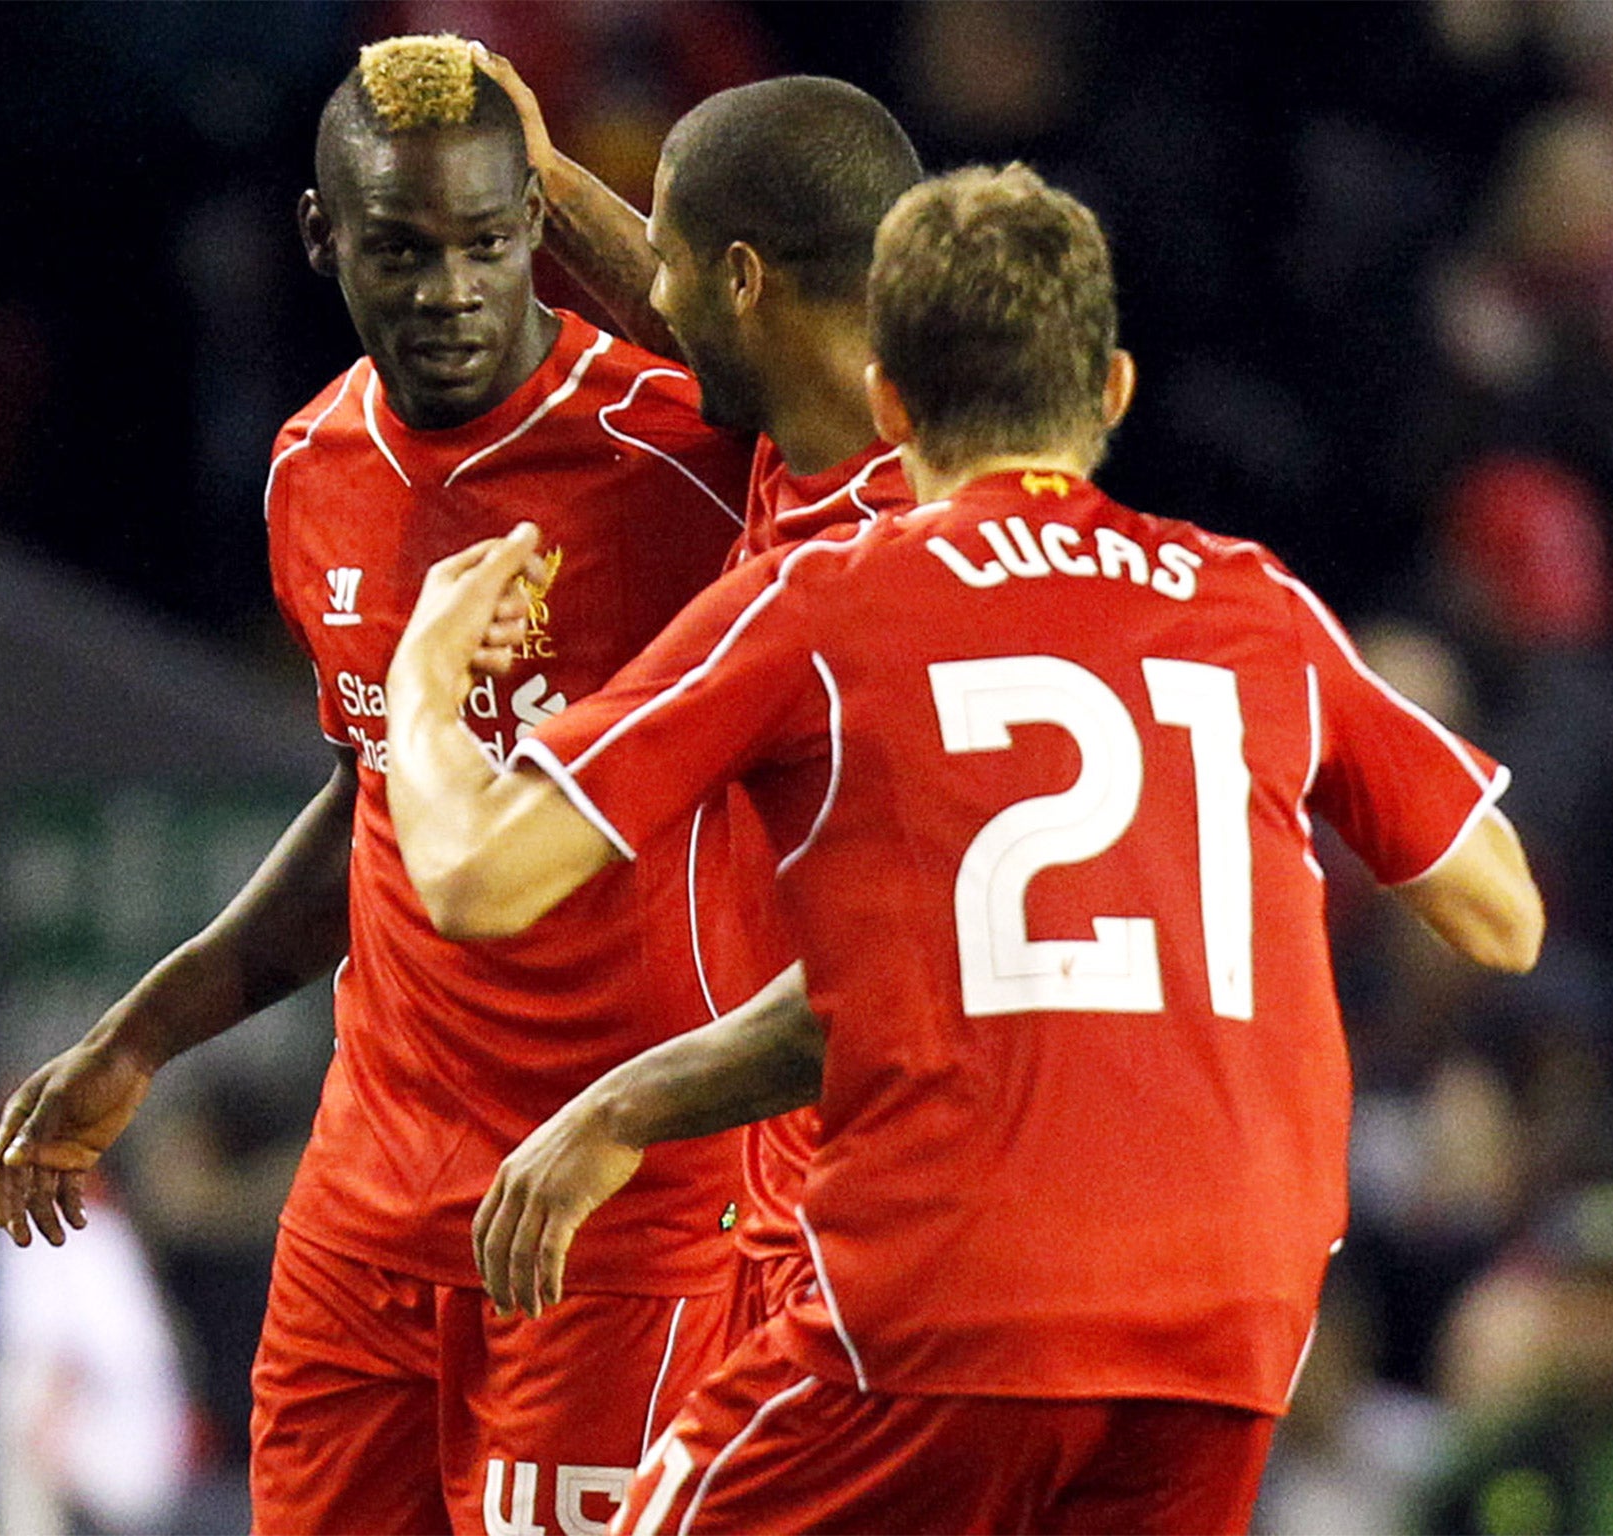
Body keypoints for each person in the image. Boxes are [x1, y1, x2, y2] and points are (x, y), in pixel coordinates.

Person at [380, 162, 1546, 1532]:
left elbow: (473, 875)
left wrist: (419, 678)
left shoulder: (827, 605)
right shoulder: (1260, 611)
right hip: (1232, 1314)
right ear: (1110, 389)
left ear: (890, 403)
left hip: (952, 1290)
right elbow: (1503, 915)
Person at [0, 36, 757, 1536]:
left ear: (534, 225)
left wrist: (558, 165)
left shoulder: (696, 463)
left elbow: (862, 404)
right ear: (320, 237)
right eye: (403, 249)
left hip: (615, 1210)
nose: (452, 289)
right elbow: (380, 806)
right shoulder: (310, 471)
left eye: (488, 239)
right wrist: (141, 1037)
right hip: (367, 1208)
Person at [475, 48, 926, 1332]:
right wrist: (549, 183)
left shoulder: (854, 580)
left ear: (743, 280)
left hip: (875, 1243)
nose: (653, 296)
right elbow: (717, 329)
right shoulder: (860, 448)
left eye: (675, 259)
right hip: (816, 1215)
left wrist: (421, 689)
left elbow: (479, 876)